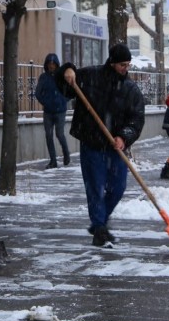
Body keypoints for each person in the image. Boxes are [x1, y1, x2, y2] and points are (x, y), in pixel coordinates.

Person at [54, 43, 145, 247]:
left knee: (118, 187)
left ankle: (99, 223)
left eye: (128, 65)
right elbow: (64, 84)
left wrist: (124, 137)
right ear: (112, 62)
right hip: (92, 142)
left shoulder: (130, 90)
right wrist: (67, 70)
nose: (125, 69)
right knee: (95, 187)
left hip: (115, 147)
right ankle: (100, 227)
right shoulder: (90, 77)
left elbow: (137, 119)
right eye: (122, 64)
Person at [35, 53, 71, 169]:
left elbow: (70, 91)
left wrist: (63, 100)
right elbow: (38, 93)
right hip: (48, 111)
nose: (51, 66)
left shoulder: (61, 77)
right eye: (49, 64)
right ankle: (53, 160)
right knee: (48, 135)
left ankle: (66, 153)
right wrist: (45, 102)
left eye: (53, 64)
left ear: (56, 65)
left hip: (60, 110)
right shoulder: (44, 78)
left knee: (59, 134)